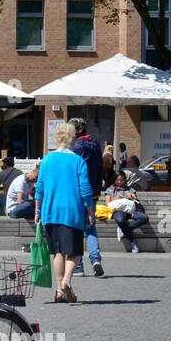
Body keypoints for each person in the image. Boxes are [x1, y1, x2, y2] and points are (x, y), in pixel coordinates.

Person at [35, 122, 94, 303]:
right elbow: (85, 188)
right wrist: (90, 211)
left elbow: (40, 187)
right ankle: (66, 282)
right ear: (72, 139)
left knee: (58, 252)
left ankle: (60, 290)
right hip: (72, 212)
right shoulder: (78, 161)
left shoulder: (47, 159)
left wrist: (38, 209)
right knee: (75, 252)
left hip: (50, 212)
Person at [69, 118, 105, 277]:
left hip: (77, 190)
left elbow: (73, 170)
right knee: (91, 227)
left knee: (76, 228)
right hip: (94, 191)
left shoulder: (76, 146)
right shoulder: (96, 145)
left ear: (79, 130)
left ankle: (78, 267)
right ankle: (95, 259)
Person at [105, 172, 147, 253]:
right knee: (120, 220)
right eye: (119, 180)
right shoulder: (109, 190)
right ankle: (133, 242)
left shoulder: (130, 189)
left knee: (144, 218)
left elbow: (136, 201)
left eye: (123, 180)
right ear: (115, 180)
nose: (121, 182)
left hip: (131, 210)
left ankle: (123, 229)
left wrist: (132, 197)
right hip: (119, 210)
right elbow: (107, 205)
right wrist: (115, 199)